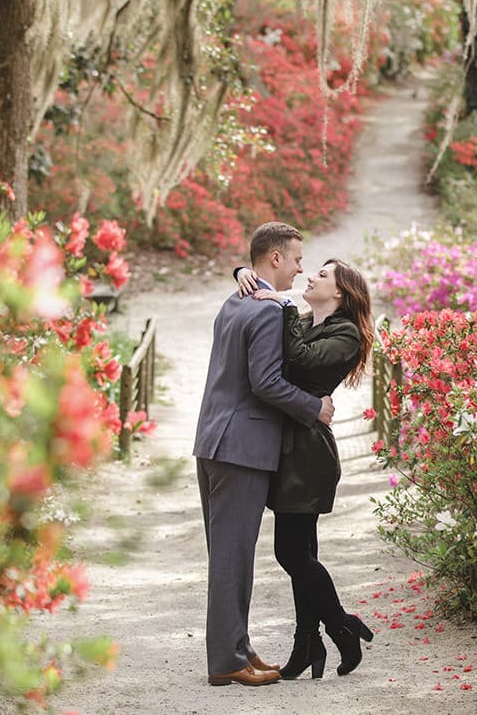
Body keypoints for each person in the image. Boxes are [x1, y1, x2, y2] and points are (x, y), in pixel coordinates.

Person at [194, 222, 335, 688]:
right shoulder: (270, 311)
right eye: (296, 259)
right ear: (275, 258)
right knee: (232, 559)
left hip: (214, 442)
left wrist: (241, 271)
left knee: (228, 556)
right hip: (242, 449)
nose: (300, 268)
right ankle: (226, 661)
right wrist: (315, 408)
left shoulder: (235, 300)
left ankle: (238, 647)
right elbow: (267, 382)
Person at [236, 257, 377, 679]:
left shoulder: (346, 334)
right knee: (303, 553)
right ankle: (307, 643)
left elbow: (297, 358)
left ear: (340, 292)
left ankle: (341, 626)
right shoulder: (305, 321)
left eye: (322, 274)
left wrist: (281, 304)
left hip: (309, 455)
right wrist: (242, 272)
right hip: (291, 447)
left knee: (291, 552)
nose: (310, 276)